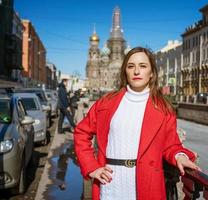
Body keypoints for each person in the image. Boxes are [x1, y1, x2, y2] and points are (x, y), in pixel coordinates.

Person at [74, 47, 200, 200]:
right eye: (131, 66)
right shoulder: (106, 103)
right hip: (109, 184)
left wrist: (179, 156)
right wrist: (91, 167)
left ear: (152, 72)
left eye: (143, 66)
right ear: (125, 72)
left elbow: (170, 144)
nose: (136, 71)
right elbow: (81, 132)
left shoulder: (163, 109)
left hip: (148, 184)